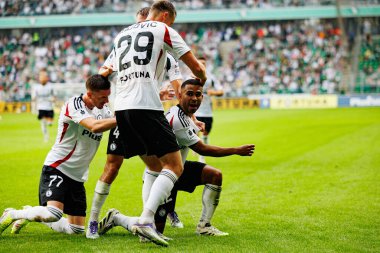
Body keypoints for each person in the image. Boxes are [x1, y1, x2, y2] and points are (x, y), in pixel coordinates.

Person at [96, 78, 255, 239]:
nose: (194, 98)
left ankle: (204, 226)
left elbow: (189, 128)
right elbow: (202, 149)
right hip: (160, 176)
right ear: (180, 95)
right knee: (152, 232)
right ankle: (117, 218)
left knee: (214, 175)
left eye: (198, 94)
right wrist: (236, 150)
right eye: (190, 94)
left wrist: (195, 123)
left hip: (179, 169)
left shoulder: (184, 115)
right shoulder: (177, 118)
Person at [104, 0, 206, 247]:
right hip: (146, 106)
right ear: (164, 16)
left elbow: (104, 70)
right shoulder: (163, 30)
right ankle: (146, 220)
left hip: (122, 109)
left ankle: (138, 221)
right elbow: (194, 66)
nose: (171, 25)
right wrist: (202, 77)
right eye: (171, 21)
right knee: (174, 165)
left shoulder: (122, 33)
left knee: (154, 166)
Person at [85, 6, 185, 240]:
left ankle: (147, 221)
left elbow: (178, 85)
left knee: (157, 168)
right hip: (128, 112)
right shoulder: (122, 48)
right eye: (139, 24)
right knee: (112, 166)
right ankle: (94, 221)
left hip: (144, 108)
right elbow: (102, 72)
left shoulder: (167, 56)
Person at [0, 74, 117, 236]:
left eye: (108, 97)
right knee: (53, 214)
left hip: (78, 176)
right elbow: (94, 126)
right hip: (58, 168)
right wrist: (122, 119)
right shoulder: (74, 104)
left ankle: (30, 212)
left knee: (76, 230)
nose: (106, 101)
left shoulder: (103, 110)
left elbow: (113, 121)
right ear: (89, 94)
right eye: (103, 97)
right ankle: (13, 214)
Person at [194, 56, 224, 163]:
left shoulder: (211, 78)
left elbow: (221, 91)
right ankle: (199, 151)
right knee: (194, 133)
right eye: (199, 63)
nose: (201, 65)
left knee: (206, 134)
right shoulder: (191, 77)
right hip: (195, 111)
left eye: (203, 64)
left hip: (207, 112)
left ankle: (201, 154)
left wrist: (213, 93)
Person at [32, 70, 55, 142]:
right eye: (41, 77)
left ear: (46, 78)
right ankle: (46, 136)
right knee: (43, 123)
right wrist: (34, 103)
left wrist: (53, 99)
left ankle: (49, 121)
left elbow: (54, 96)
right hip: (41, 107)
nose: (42, 79)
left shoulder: (50, 86)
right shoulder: (36, 87)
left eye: (43, 77)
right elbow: (34, 97)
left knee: (50, 122)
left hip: (49, 107)